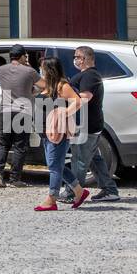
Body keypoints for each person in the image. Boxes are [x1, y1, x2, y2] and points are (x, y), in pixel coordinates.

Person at [65, 45, 119, 206]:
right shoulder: (88, 75)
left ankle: (73, 193)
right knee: (94, 159)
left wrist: (65, 113)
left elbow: (84, 98)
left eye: (76, 57)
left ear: (83, 58)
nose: (74, 60)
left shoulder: (89, 76)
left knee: (79, 160)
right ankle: (110, 190)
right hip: (90, 124)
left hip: (86, 125)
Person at [34, 55, 85, 211]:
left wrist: (64, 113)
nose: (40, 70)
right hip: (45, 132)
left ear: (50, 69)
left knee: (55, 167)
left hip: (58, 132)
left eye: (42, 68)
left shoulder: (62, 86)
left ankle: (52, 199)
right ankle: (79, 191)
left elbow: (77, 101)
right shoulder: (47, 86)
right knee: (56, 165)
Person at [0, 44, 35, 188]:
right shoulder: (29, 71)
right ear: (23, 56)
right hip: (23, 111)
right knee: (20, 145)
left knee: (3, 143)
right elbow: (44, 85)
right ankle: (15, 179)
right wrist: (32, 91)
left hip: (5, 110)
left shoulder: (1, 69)